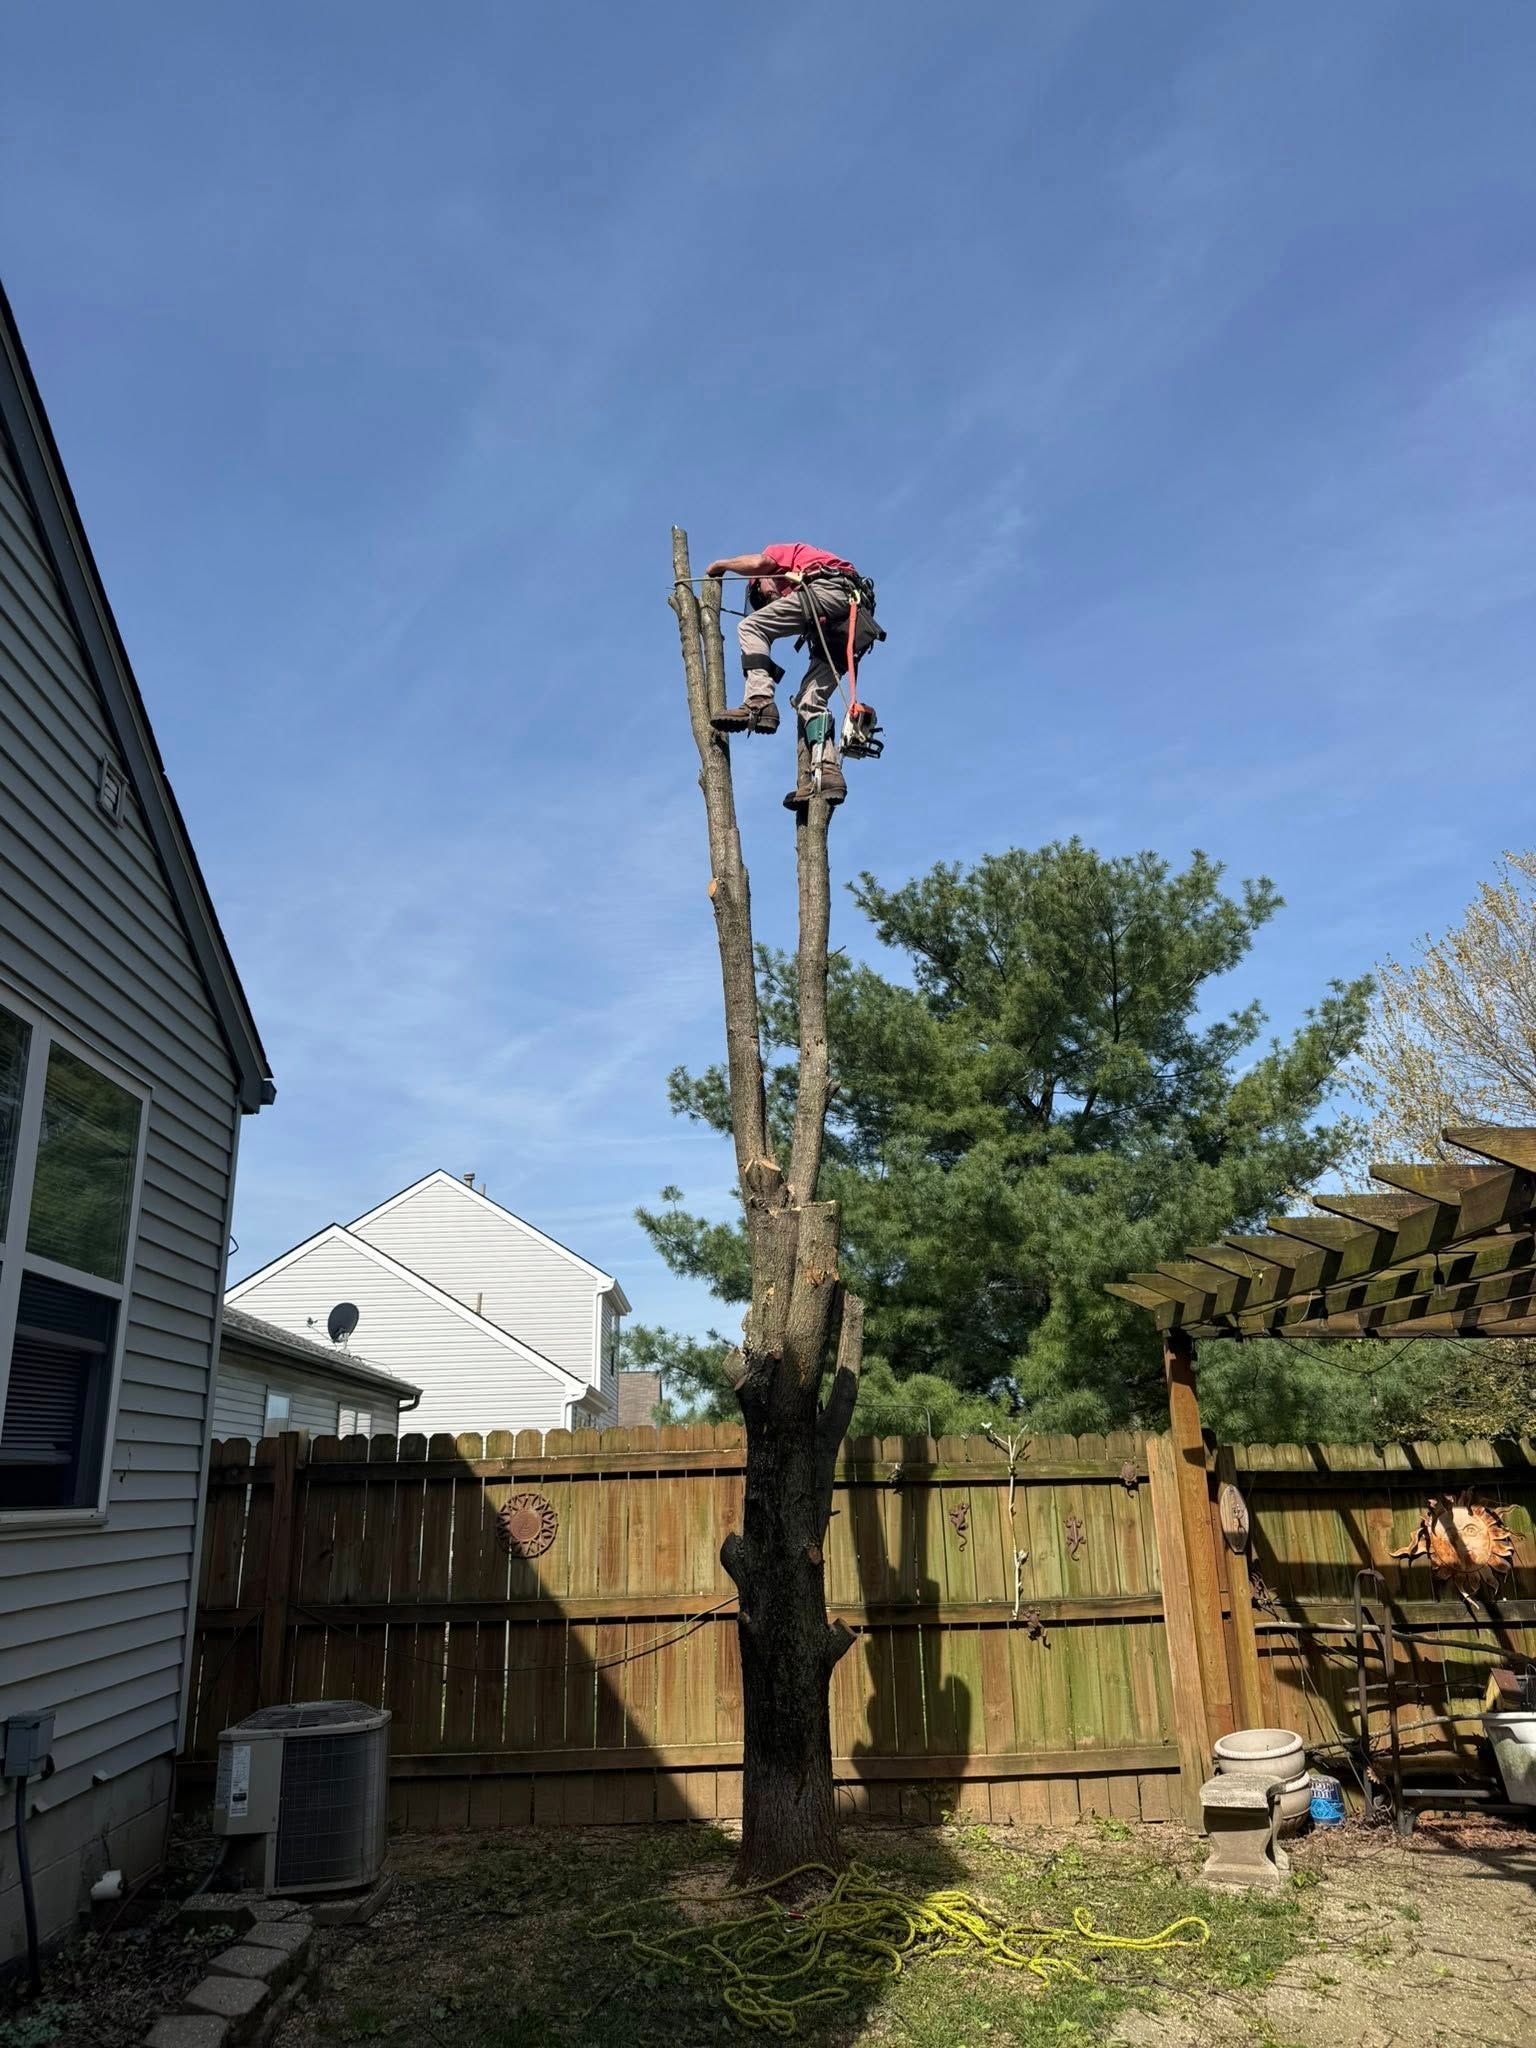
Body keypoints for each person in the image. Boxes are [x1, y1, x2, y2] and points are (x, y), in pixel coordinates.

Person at [704, 542, 883, 808]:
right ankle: (827, 773)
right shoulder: (802, 583)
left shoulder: (780, 556)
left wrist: (721, 565)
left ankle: (759, 702)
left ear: (764, 581)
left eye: (761, 594)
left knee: (751, 627)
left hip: (831, 594)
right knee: (809, 700)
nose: (766, 601)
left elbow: (758, 564)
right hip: (849, 622)